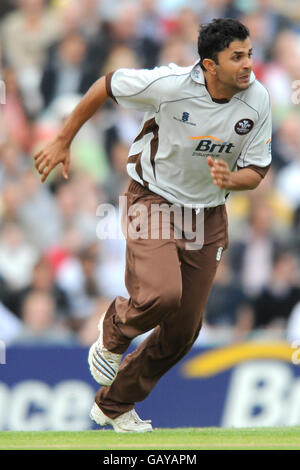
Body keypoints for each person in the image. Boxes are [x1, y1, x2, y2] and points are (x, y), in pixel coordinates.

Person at [34, 18, 272, 432]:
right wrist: (63, 139)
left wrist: (232, 180)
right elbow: (106, 84)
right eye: (237, 57)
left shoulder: (259, 100)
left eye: (249, 54)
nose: (248, 64)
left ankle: (113, 406)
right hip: (153, 201)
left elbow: (258, 168)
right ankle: (112, 335)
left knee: (183, 331)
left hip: (209, 215)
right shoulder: (170, 85)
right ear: (209, 65)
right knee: (163, 295)